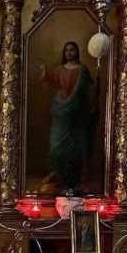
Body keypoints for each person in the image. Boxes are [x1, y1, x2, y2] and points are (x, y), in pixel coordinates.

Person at [39, 41, 97, 193]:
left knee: (76, 144)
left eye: (72, 50)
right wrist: (44, 71)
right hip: (60, 108)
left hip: (77, 111)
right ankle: (55, 172)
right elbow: (47, 84)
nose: (69, 53)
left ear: (76, 52)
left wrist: (92, 103)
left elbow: (90, 88)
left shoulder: (83, 70)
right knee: (56, 144)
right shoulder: (59, 69)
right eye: (67, 50)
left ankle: (76, 177)